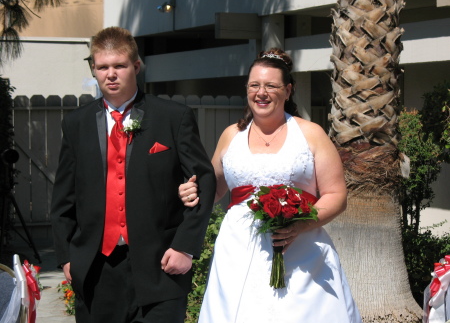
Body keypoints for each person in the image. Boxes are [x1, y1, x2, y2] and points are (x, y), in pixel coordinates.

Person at [178, 48, 362, 322]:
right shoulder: (231, 135)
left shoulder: (311, 133)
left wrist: (299, 225)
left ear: (288, 91)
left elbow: (336, 195)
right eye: (254, 85)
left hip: (301, 250)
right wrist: (190, 190)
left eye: (271, 86)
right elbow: (213, 188)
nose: (261, 92)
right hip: (237, 248)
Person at [50, 26, 216, 323]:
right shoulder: (76, 124)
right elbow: (64, 198)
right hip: (96, 270)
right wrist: (66, 257)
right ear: (94, 69)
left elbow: (203, 181)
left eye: (119, 66)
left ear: (136, 67)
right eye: (102, 67)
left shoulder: (172, 117)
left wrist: (185, 247)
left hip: (160, 265)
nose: (110, 74)